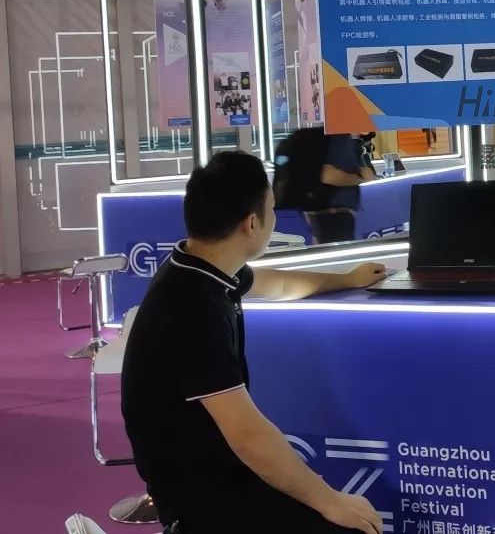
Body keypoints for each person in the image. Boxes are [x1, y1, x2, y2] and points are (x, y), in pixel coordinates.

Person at [121, 151, 389, 533]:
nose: (274, 217)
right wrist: (330, 502)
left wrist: (346, 278)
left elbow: (275, 284)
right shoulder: (191, 306)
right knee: (350, 526)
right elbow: (248, 437)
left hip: (220, 474)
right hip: (201, 498)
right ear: (252, 223)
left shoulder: (200, 266)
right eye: (272, 209)